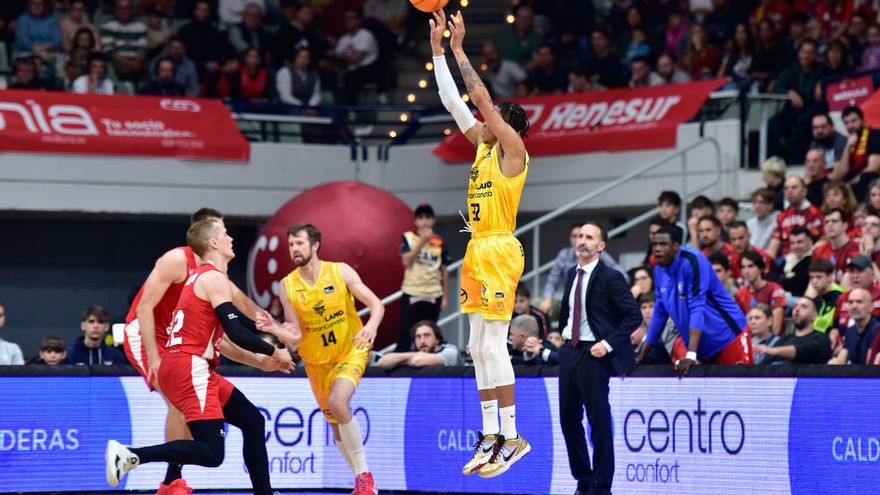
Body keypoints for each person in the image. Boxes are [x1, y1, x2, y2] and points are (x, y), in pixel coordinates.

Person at [105, 218, 293, 493]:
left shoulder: (202, 278)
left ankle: (264, 492)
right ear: (213, 243)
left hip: (189, 365)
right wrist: (274, 349)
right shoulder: (212, 278)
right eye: (226, 234)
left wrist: (262, 362)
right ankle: (131, 455)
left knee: (253, 420)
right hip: (188, 367)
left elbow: (223, 342)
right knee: (212, 453)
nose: (231, 238)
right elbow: (237, 331)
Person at [431, 10, 531, 477]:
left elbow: (479, 99)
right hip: (476, 248)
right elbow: (453, 102)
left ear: (505, 124)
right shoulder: (483, 147)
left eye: (491, 119)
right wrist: (437, 50)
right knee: (475, 346)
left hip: (499, 249)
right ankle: (491, 436)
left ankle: (513, 437)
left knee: (494, 347)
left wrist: (458, 48)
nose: (480, 122)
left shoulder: (514, 152)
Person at [259, 223, 383, 495]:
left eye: (299, 243)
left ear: (315, 245)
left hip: (349, 350)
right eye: (291, 245)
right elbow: (296, 334)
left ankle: (364, 475)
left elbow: (376, 304)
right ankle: (363, 483)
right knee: (336, 426)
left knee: (338, 402)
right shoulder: (287, 285)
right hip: (316, 362)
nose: (294, 249)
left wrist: (371, 327)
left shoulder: (340, 271)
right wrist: (274, 328)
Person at [557, 222, 641, 495]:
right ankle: (583, 479)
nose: (582, 241)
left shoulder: (610, 276)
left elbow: (633, 316)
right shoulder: (571, 273)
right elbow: (569, 313)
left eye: (589, 237)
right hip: (570, 350)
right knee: (568, 419)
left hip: (594, 353)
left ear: (601, 246)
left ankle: (602, 484)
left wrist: (607, 344)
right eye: (580, 236)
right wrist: (562, 334)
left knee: (598, 420)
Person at [638, 226, 753, 376]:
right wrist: (641, 356)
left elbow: (697, 307)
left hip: (729, 338)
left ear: (676, 246)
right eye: (655, 244)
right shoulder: (658, 270)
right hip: (703, 349)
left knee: (742, 389)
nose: (658, 249)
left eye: (663, 244)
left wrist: (691, 355)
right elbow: (659, 313)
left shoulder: (693, 261)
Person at [397, 203, 450, 352]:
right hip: (412, 291)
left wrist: (445, 297)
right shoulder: (408, 237)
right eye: (421, 218)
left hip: (433, 293)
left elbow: (444, 270)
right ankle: (403, 362)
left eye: (428, 217)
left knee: (430, 332)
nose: (424, 221)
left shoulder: (440, 242)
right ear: (415, 221)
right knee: (406, 332)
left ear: (433, 220)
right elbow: (406, 261)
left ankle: (427, 362)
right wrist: (422, 242)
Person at [756, 297, 832, 365]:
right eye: (795, 306)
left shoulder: (821, 338)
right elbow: (764, 365)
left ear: (814, 315)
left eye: (804, 306)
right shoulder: (784, 339)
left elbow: (803, 351)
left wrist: (772, 350)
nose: (797, 309)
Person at [767, 177, 824, 260]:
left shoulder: (815, 213)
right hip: (785, 261)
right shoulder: (781, 217)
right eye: (786, 188)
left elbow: (822, 241)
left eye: (794, 187)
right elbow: (773, 245)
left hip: (809, 259)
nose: (789, 191)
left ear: (804, 191)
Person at [735, 251, 786, 331]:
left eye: (751, 266)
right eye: (743, 267)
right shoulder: (739, 294)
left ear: (760, 269)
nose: (746, 271)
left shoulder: (774, 289)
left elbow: (776, 327)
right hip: (750, 335)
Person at [376, 320, 461, 369]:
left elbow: (416, 361)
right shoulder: (414, 353)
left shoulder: (450, 351)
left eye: (427, 335)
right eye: (418, 337)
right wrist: (412, 355)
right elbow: (382, 362)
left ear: (437, 339)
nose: (422, 341)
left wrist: (402, 360)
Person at [101, 0, 148, 82]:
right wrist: (130, 63)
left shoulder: (140, 26)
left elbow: (143, 48)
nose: (124, 12)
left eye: (127, 8)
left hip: (136, 59)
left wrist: (137, 60)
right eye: (120, 9)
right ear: (115, 10)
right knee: (124, 69)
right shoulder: (107, 26)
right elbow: (109, 51)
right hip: (119, 60)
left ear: (132, 10)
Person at [829, 288, 880, 365]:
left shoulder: (877, 331)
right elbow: (842, 358)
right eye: (850, 302)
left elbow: (870, 364)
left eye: (859, 302)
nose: (854, 306)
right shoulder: (850, 331)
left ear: (871, 307)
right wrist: (835, 362)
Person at [813, 208, 861, 284]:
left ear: (845, 226)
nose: (829, 225)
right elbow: (814, 280)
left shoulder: (858, 247)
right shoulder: (818, 251)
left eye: (834, 221)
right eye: (826, 222)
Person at [728, 221, 775, 286]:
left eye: (741, 238)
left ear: (749, 236)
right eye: (733, 239)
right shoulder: (730, 258)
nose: (737, 243)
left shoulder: (762, 257)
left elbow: (767, 284)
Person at [809, 259, 845, 335]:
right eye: (811, 277)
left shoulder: (840, 298)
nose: (814, 281)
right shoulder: (815, 300)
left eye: (819, 277)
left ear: (830, 277)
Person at [779, 226, 813, 298]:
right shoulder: (787, 259)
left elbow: (799, 285)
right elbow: (773, 279)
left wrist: (783, 278)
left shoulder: (814, 259)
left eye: (799, 242)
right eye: (792, 243)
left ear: (810, 242)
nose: (795, 247)